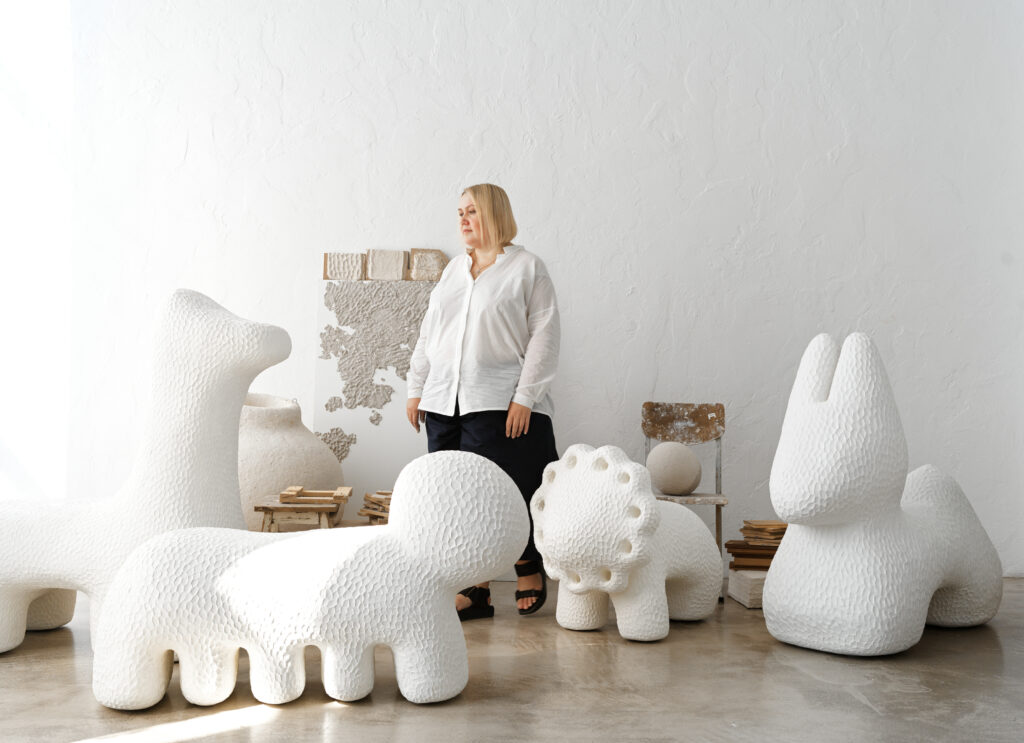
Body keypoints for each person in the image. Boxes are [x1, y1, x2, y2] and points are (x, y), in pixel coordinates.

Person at [406, 183, 560, 620]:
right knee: (455, 497)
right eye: (459, 212)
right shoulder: (453, 270)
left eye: (471, 211)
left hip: (498, 398)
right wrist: (416, 388)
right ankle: (475, 588)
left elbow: (545, 337)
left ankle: (528, 564)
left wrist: (525, 397)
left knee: (513, 487)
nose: (463, 219)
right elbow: (428, 333)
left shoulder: (528, 268)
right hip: (443, 400)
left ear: (494, 214)